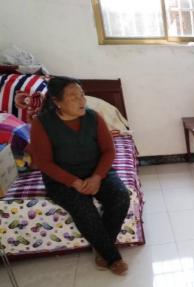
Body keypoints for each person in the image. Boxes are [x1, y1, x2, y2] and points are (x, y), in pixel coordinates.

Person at [30, 76, 131, 275]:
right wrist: (74, 182)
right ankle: (111, 256)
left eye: (82, 95)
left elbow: (109, 151)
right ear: (57, 102)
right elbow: (43, 162)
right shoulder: (41, 124)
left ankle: (101, 246)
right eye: (73, 97)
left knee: (120, 197)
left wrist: (97, 177)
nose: (82, 101)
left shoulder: (94, 117)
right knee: (84, 209)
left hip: (96, 171)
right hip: (61, 179)